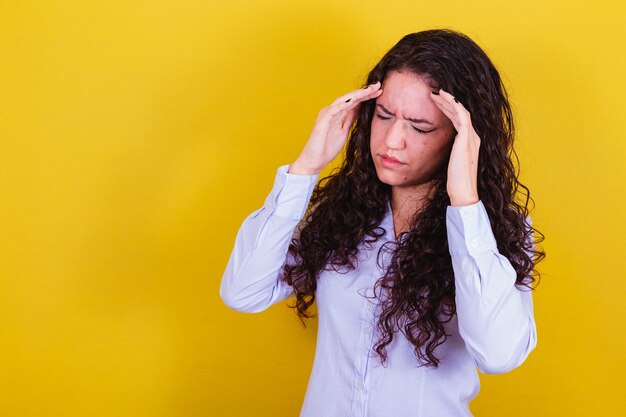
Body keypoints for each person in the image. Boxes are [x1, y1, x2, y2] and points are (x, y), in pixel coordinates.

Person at [220, 28, 545, 417]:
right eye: (384, 115)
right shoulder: (342, 216)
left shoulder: (494, 233)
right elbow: (242, 292)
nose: (392, 141)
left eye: (420, 128)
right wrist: (305, 168)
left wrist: (464, 202)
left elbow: (499, 354)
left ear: (462, 138)